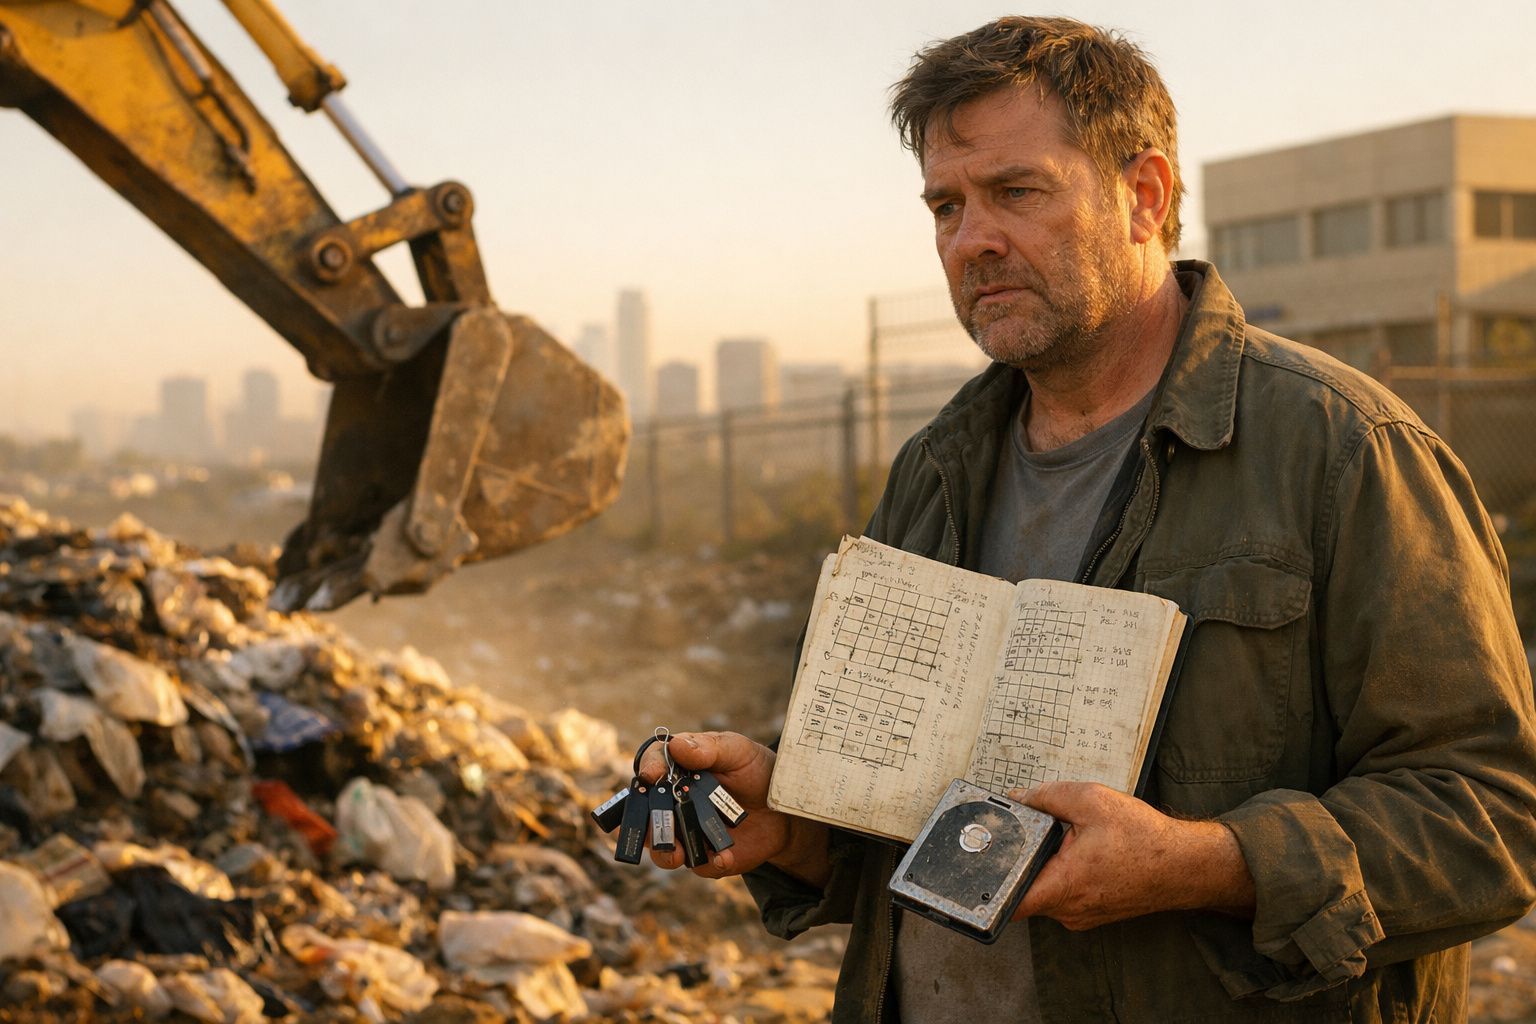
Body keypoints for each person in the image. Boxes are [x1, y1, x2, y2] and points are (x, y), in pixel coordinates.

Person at [639, 16, 1536, 1022]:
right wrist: (792, 824)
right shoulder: (935, 471)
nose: (972, 238)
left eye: (1016, 192)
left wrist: (1208, 864)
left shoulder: (1344, 451)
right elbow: (914, 843)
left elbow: (1492, 814)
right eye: (946, 204)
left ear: (1143, 195)